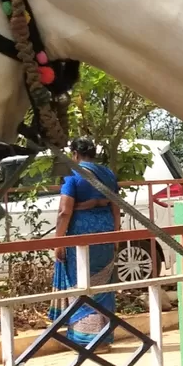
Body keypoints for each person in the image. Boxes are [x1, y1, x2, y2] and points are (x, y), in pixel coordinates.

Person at [50, 138, 121, 347]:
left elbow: (64, 212)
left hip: (81, 237)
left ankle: (85, 341)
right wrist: (115, 235)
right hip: (106, 233)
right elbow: (116, 208)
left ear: (74, 154)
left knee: (81, 283)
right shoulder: (107, 174)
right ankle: (104, 339)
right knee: (104, 285)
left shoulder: (72, 174)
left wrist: (58, 242)